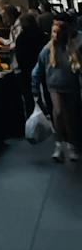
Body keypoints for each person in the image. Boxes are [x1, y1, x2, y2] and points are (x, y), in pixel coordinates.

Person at [33, 16, 82, 164]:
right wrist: (35, 91)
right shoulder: (47, 49)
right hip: (54, 86)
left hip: (71, 86)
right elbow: (37, 70)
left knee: (72, 117)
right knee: (59, 113)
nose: (55, 35)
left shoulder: (74, 47)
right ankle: (60, 145)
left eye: (57, 32)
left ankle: (71, 145)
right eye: (53, 32)